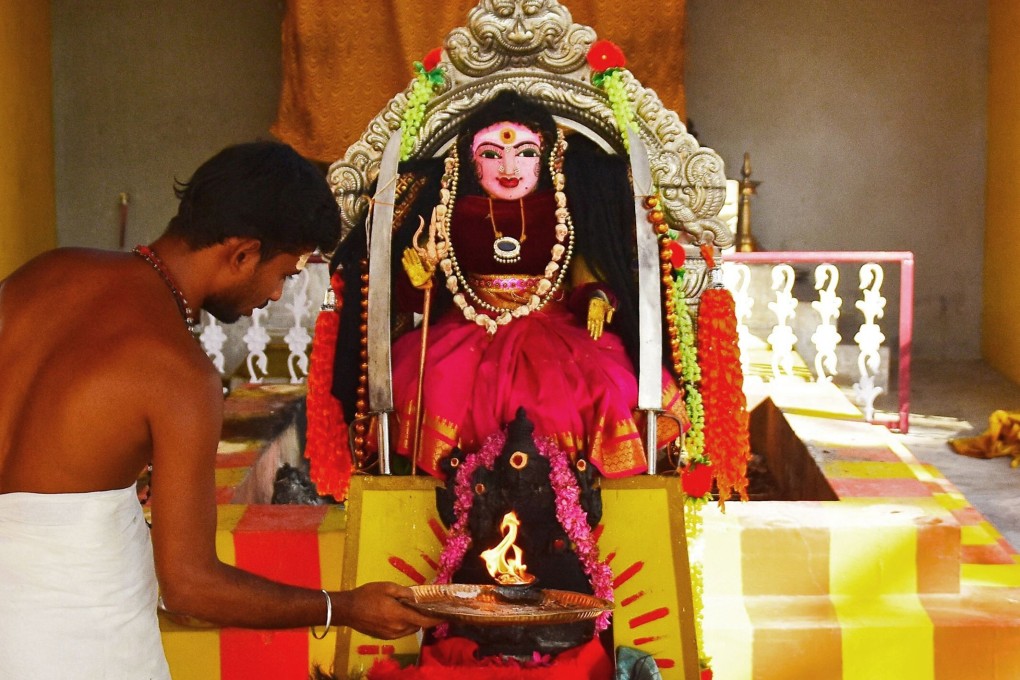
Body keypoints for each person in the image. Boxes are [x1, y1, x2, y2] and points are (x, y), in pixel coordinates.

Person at [0, 141, 439, 679]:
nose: (278, 295)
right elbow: (190, 588)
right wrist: (344, 607)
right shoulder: (180, 375)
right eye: (287, 272)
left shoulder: (41, 275)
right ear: (242, 254)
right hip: (81, 648)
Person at [330, 92, 687, 479]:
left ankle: (572, 494)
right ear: (470, 159)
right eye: (490, 154)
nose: (509, 166)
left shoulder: (564, 206)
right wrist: (420, 280)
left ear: (549, 157)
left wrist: (597, 297)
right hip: (466, 328)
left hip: (555, 325)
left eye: (526, 153)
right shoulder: (450, 210)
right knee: (429, 383)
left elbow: (588, 269)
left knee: (600, 391)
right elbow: (417, 299)